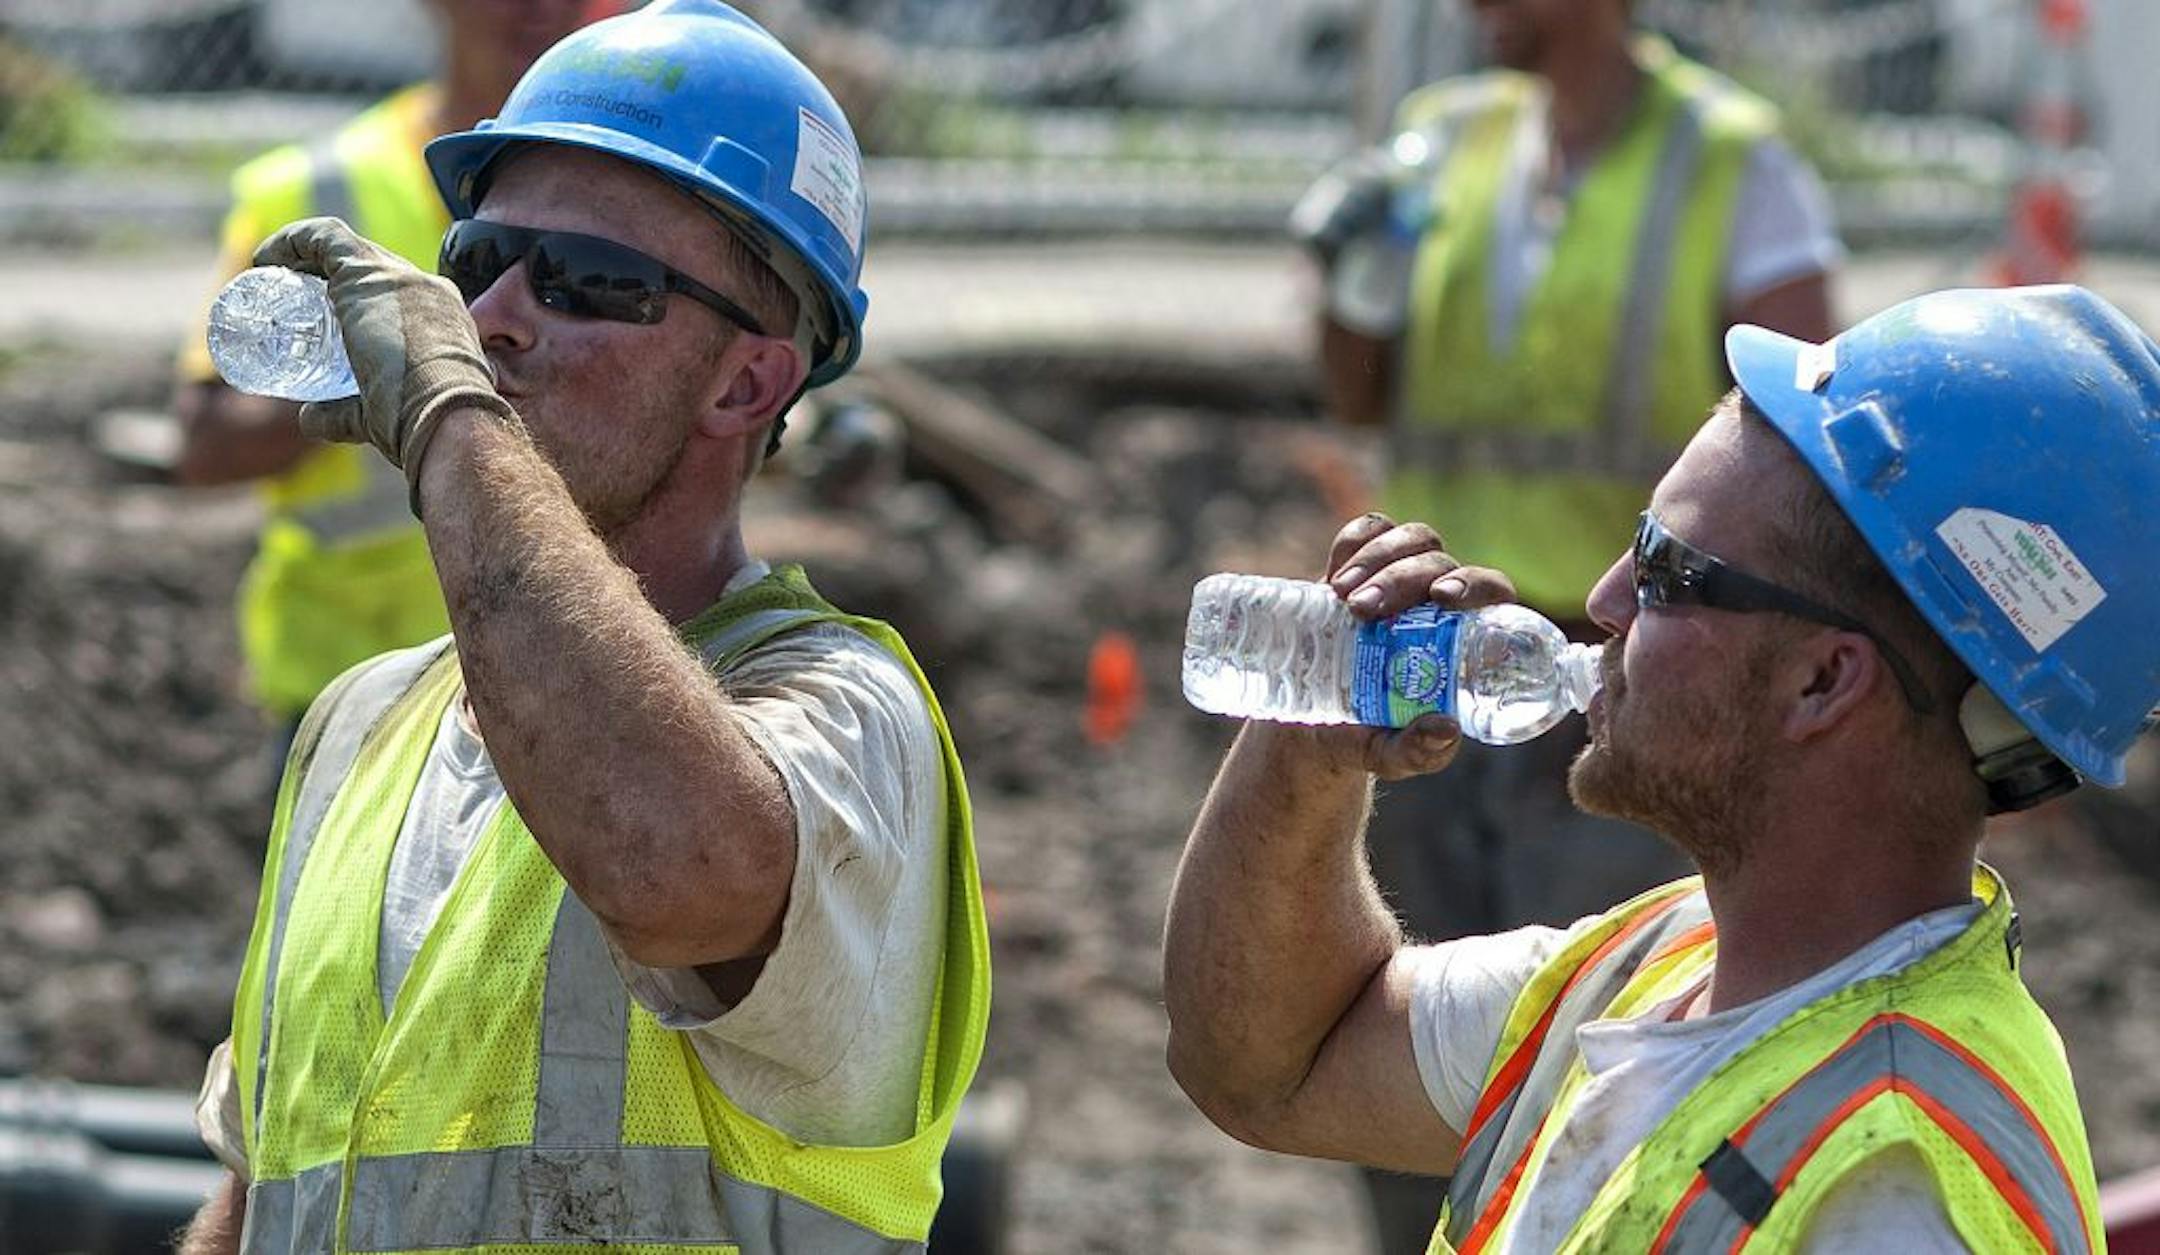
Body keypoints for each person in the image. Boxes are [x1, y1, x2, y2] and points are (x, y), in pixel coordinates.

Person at [177, 3, 989, 1251]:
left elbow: (678, 872)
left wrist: (452, 417)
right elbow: (258, 1186)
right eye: (479, 258)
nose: (494, 314)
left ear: (747, 382)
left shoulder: (844, 711)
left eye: (586, 282)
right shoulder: (357, 726)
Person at [1163, 284, 2156, 1251]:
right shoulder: (1668, 961)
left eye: (1667, 570)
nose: (1601, 600)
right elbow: (1270, 1061)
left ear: (1823, 681)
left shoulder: (1890, 1186)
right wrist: (1313, 739)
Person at [1292, 5, 1842, 1238]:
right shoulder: (1444, 142)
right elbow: (1354, 387)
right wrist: (1354, 273)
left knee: (1593, 1053)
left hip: (1620, 686)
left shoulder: (1729, 161)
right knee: (1388, 1029)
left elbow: (1809, 460)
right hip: (1430, 669)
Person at [171, 0, 610, 742]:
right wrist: (373, 371)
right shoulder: (316, 188)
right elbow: (205, 444)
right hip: (353, 697)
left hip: (564, 683)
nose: (545, 7)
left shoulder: (636, 203)